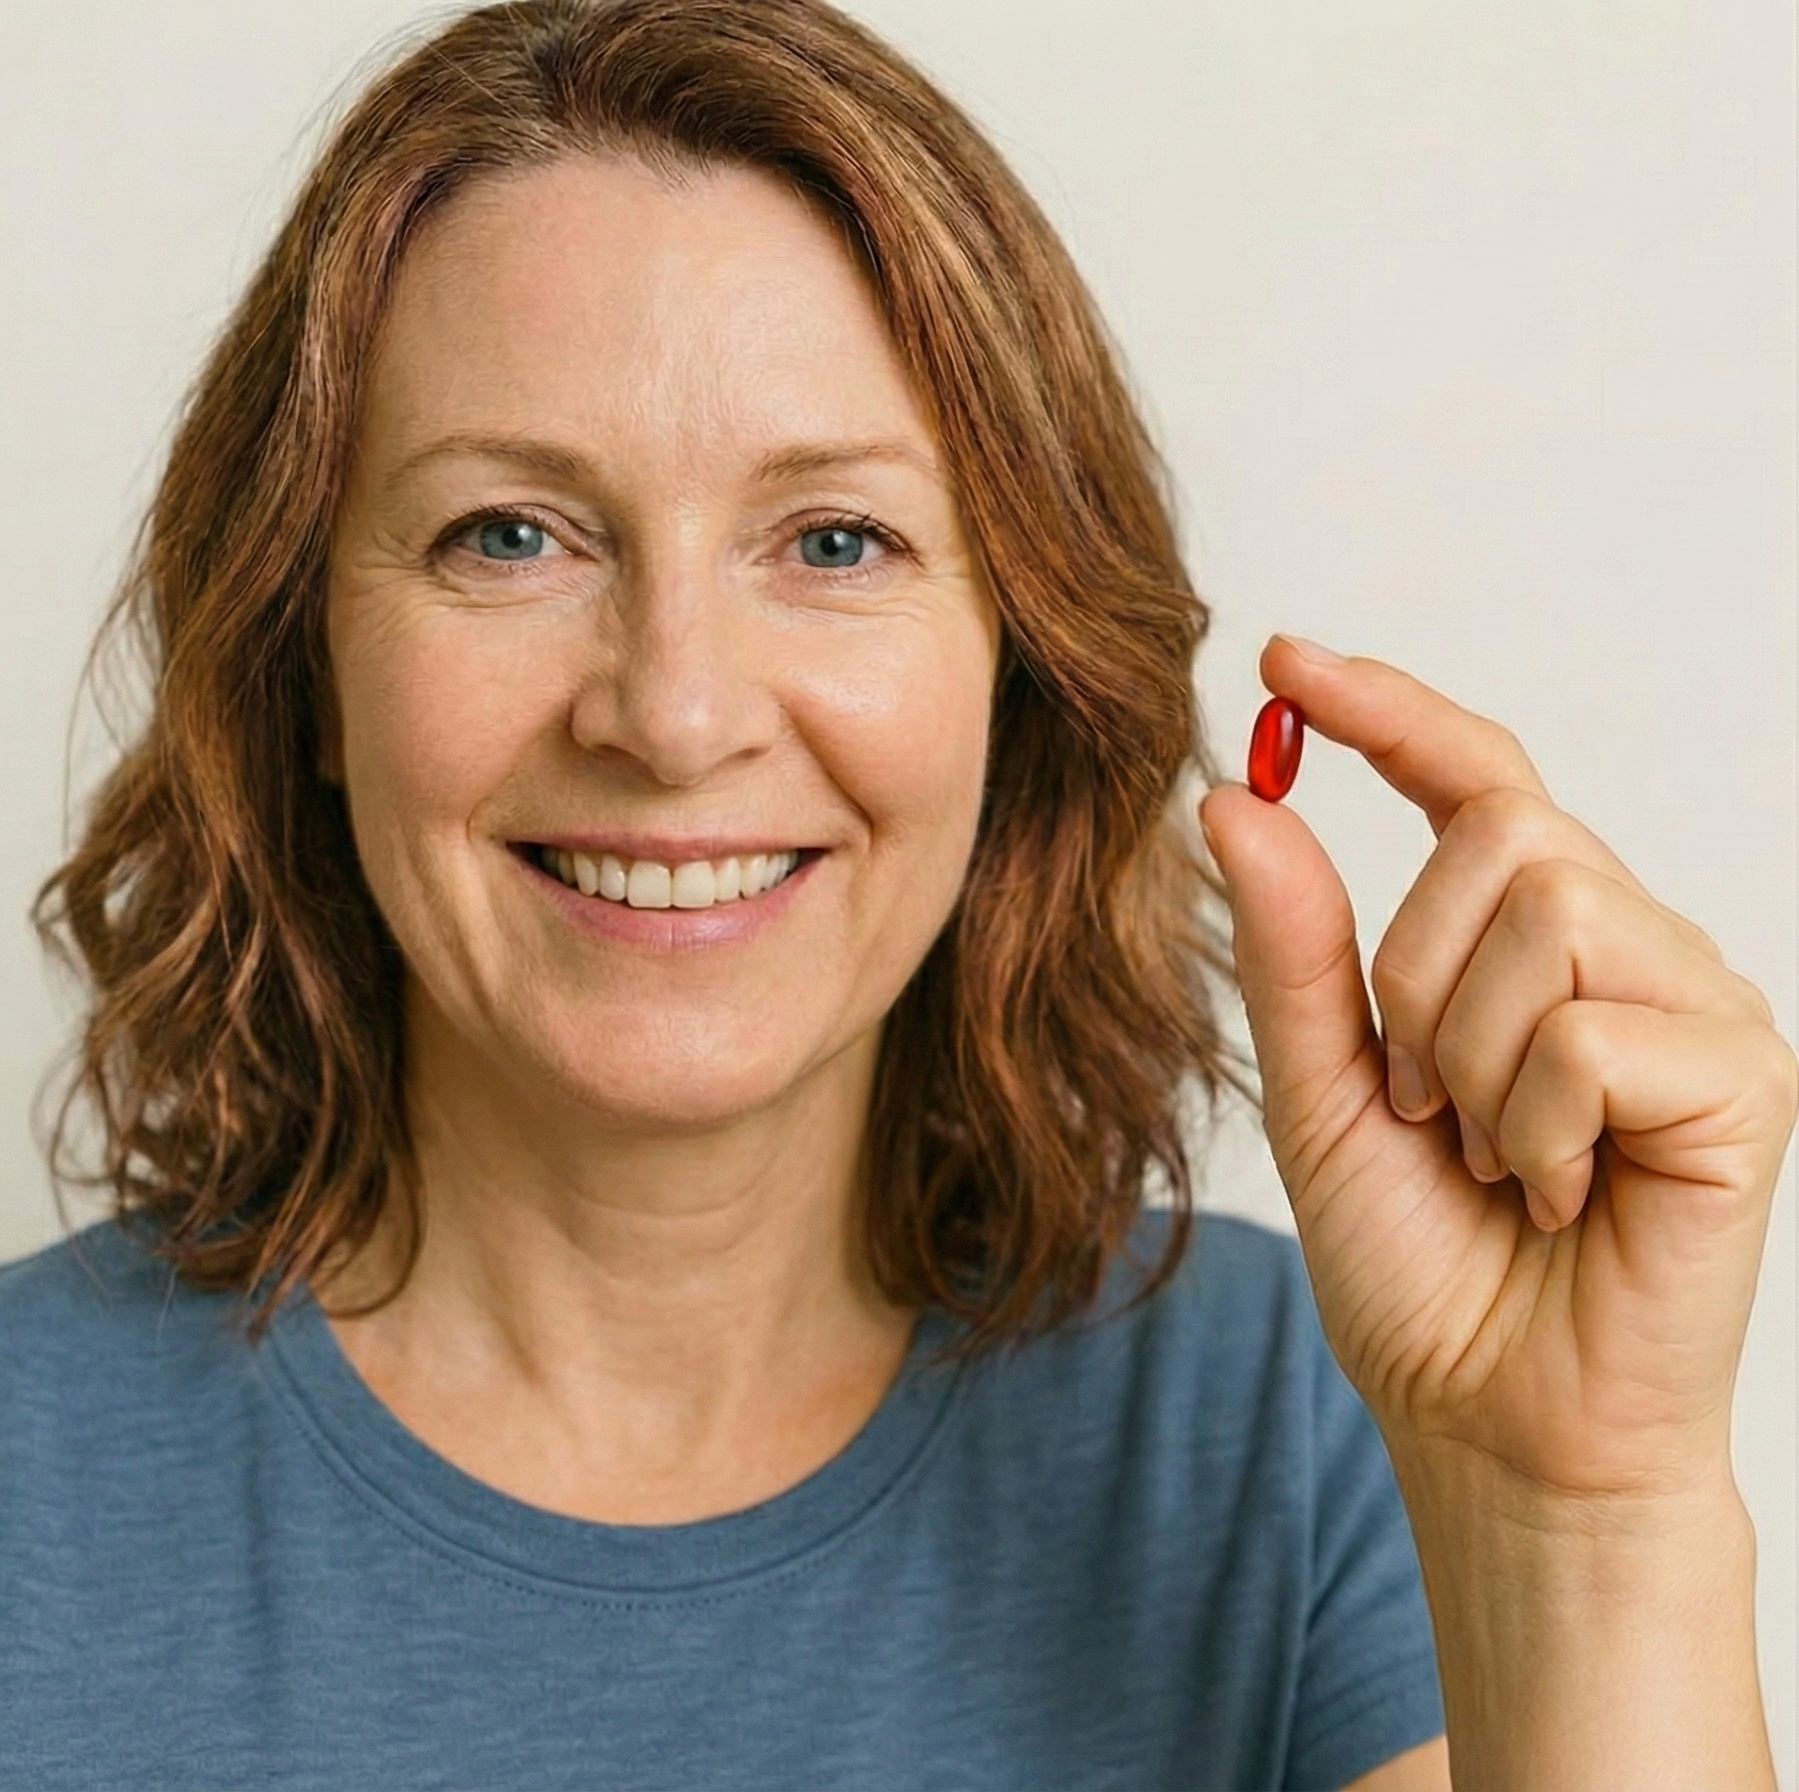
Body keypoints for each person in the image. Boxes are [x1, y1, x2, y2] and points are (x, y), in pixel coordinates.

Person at [0, 0, 1790, 1786]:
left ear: (1017, 673)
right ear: (306, 665)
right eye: (510, 534)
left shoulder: (1296, 1428)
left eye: (834, 542)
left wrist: (1590, 1519)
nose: (676, 713)